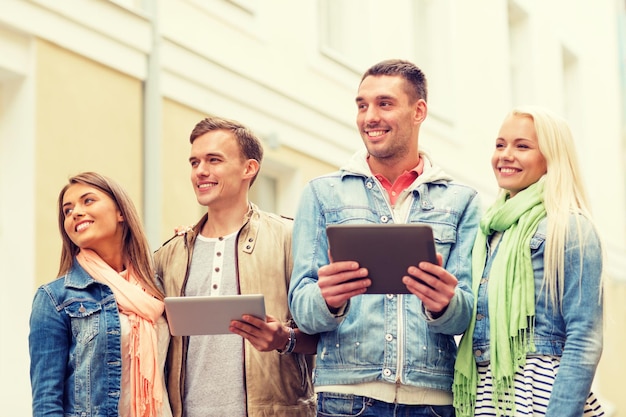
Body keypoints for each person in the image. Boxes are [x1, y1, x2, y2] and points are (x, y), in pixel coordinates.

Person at [288, 58, 481, 416]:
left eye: (384, 104)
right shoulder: (322, 194)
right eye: (362, 105)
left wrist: (443, 303)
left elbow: (466, 314)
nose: (369, 117)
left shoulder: (461, 201)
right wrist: (328, 300)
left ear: (418, 111)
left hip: (433, 402)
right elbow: (302, 308)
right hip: (344, 399)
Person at [154, 115, 318, 417]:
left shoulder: (291, 240)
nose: (200, 171)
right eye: (194, 162)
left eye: (213, 160)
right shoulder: (168, 255)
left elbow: (331, 335)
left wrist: (285, 339)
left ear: (249, 168)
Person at [453, 106, 605, 417]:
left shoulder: (570, 226)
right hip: (484, 395)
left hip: (539, 395)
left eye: (522, 146)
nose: (505, 155)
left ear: (552, 157)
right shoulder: (488, 229)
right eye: (500, 145)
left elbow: (585, 337)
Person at [29, 172, 172, 417]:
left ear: (121, 213)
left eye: (88, 201)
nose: (75, 212)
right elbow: (46, 402)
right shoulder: (55, 299)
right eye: (67, 210)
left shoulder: (158, 288)